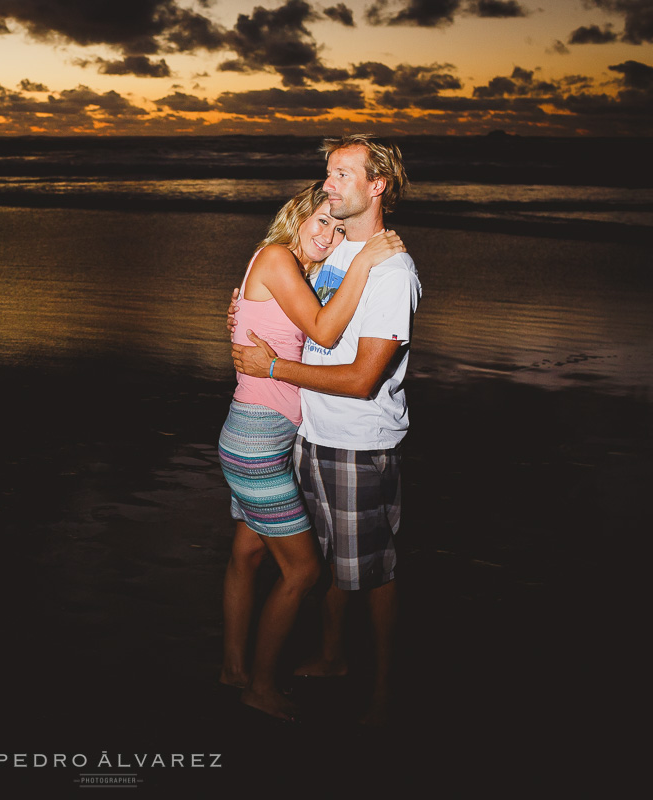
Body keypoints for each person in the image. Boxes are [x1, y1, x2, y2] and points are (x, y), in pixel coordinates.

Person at [231, 134, 420, 727]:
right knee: (334, 563)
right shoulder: (334, 247)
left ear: (377, 185)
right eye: (327, 173)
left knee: (373, 571)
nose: (328, 184)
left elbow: (365, 378)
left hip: (359, 442)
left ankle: (386, 686)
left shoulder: (392, 272)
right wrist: (240, 308)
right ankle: (334, 657)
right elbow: (286, 300)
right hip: (309, 432)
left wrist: (272, 367)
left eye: (341, 174)